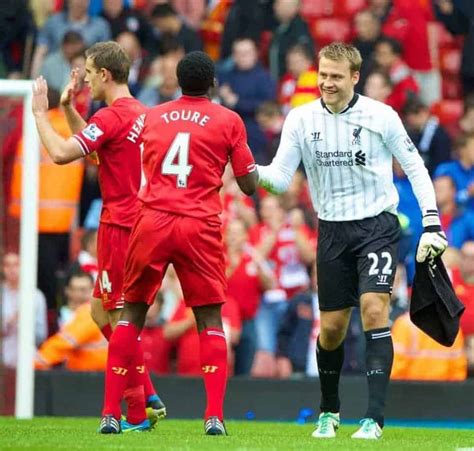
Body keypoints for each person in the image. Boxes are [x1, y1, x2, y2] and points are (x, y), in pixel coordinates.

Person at [256, 42, 448, 440]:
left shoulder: (381, 116)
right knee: (331, 330)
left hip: (376, 225)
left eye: (335, 76)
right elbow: (277, 179)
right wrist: (243, 165)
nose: (326, 82)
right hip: (331, 231)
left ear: (355, 77)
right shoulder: (301, 119)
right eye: (322, 74)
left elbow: (415, 167)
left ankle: (374, 419)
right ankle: (329, 411)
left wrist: (431, 223)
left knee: (374, 309)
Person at [100, 50, 258, 435]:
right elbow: (249, 184)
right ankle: (214, 417)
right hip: (198, 225)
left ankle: (109, 413)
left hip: (151, 220)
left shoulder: (152, 115)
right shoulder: (228, 120)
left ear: (178, 81)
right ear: (213, 83)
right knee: (208, 318)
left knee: (132, 313)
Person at [31, 41, 165, 432]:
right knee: (98, 312)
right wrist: (72, 109)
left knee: (120, 318)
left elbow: (60, 153)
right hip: (141, 222)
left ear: (104, 75)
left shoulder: (111, 117)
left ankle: (136, 412)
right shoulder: (142, 113)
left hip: (121, 225)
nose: (86, 78)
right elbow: (96, 154)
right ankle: (147, 392)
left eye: (89, 73)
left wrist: (44, 114)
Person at [35, 271, 108, 371]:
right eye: (75, 289)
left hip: (91, 376)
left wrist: (35, 362)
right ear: (67, 290)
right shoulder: (56, 316)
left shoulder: (91, 313)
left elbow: (62, 343)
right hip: (73, 373)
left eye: (83, 290)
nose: (78, 294)